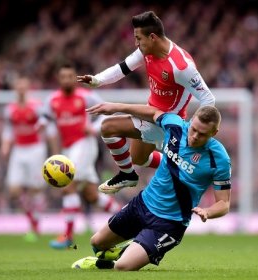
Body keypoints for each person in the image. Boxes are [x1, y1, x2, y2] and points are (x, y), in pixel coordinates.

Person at [71, 103, 231, 271]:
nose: (195, 136)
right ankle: (133, 248)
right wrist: (114, 107)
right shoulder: (175, 125)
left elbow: (224, 204)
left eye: (202, 134)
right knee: (97, 243)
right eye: (194, 129)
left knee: (123, 267)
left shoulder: (219, 160)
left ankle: (111, 260)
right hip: (142, 203)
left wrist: (207, 212)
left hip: (169, 223)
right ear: (190, 121)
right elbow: (152, 112)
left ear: (214, 133)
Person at [77, 10, 215, 194]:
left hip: (168, 123)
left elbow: (208, 99)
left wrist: (195, 130)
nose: (136, 43)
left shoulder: (181, 67)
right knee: (138, 158)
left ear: (152, 37)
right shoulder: (146, 50)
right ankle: (172, 166)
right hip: (150, 115)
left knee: (108, 127)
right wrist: (97, 80)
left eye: (138, 38)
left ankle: (130, 175)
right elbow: (123, 67)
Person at [40, 62, 122, 249]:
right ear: (59, 79)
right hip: (68, 149)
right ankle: (127, 217)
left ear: (75, 78)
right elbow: (45, 116)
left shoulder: (86, 97)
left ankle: (68, 236)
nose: (67, 80)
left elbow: (105, 111)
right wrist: (42, 123)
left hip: (85, 144)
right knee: (92, 195)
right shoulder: (53, 100)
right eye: (63, 77)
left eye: (70, 76)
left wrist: (93, 128)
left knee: (68, 185)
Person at [0, 76, 49, 242]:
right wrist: (5, 145)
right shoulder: (10, 109)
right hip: (18, 150)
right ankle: (32, 220)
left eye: (23, 87)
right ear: (15, 89)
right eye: (18, 87)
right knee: (14, 190)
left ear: (27, 88)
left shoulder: (35, 106)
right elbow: (8, 130)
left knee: (35, 189)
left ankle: (35, 224)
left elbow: (45, 120)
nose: (20, 90)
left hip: (35, 149)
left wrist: (42, 125)